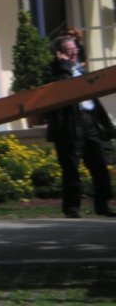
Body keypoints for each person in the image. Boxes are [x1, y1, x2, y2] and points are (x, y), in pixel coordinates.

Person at [44, 35, 116, 218]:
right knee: (71, 169)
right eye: (69, 51)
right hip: (69, 125)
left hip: (89, 121)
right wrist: (65, 66)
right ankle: (72, 208)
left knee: (100, 165)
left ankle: (102, 205)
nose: (74, 53)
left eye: (75, 49)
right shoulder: (52, 70)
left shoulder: (81, 69)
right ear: (59, 53)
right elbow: (61, 89)